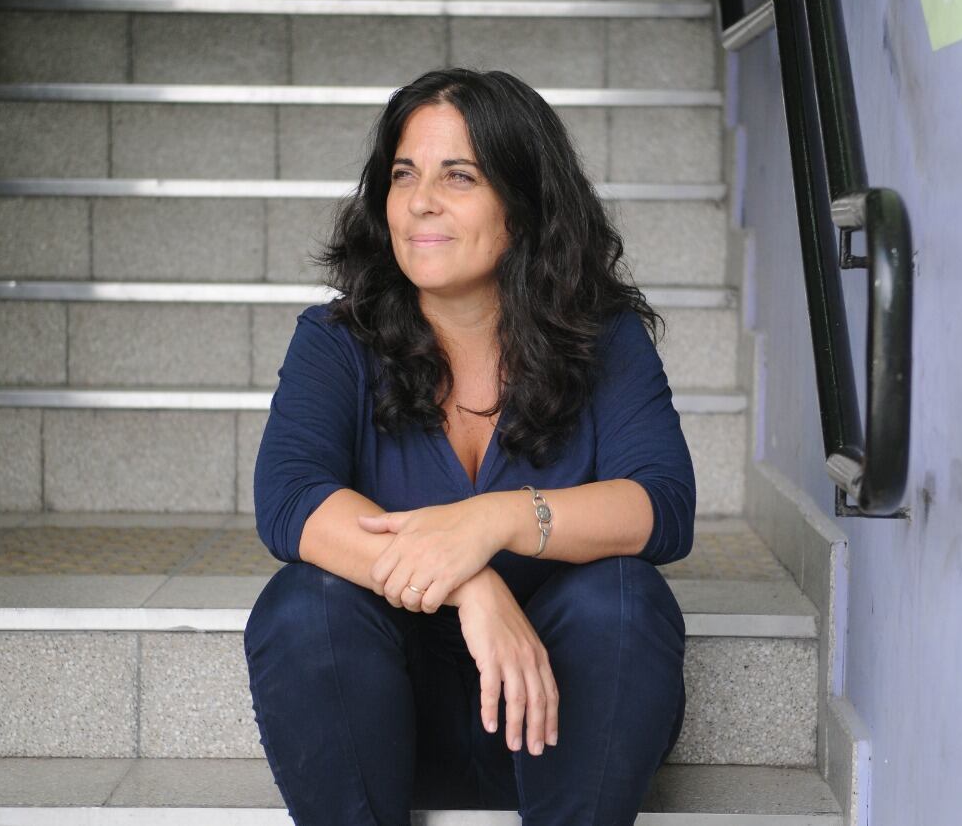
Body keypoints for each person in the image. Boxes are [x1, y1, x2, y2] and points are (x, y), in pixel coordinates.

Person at [244, 67, 695, 826]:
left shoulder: (603, 338)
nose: (421, 201)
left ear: (524, 201)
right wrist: (468, 583)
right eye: (404, 174)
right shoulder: (337, 340)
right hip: (386, 720)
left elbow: (663, 504)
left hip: (565, 715)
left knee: (622, 597)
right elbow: (290, 499)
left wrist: (495, 520)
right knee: (303, 604)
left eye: (459, 176)